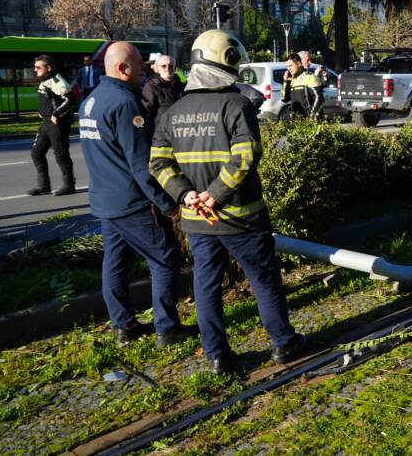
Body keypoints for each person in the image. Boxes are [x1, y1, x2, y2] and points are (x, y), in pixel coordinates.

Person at [149, 29, 304, 374]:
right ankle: (283, 343)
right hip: (242, 218)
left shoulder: (172, 112)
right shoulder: (237, 105)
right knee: (264, 280)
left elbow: (157, 163)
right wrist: (214, 194)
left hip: (196, 219)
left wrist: (187, 195)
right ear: (228, 61)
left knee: (206, 285)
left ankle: (216, 355)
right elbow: (247, 156)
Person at [79, 42, 193, 347]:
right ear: (122, 68)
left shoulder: (91, 101)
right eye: (139, 65)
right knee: (165, 259)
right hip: (133, 203)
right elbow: (143, 165)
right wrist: (167, 203)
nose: (144, 69)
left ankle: (123, 325)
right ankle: (167, 329)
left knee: (115, 264)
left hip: (106, 202)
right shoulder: (125, 104)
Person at [27, 55, 76, 196]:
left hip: (57, 124)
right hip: (46, 123)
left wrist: (56, 114)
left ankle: (69, 185)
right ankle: (43, 186)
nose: (35, 70)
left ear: (48, 68)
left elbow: (70, 99)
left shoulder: (57, 80)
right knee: (37, 153)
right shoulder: (45, 81)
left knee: (61, 154)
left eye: (38, 67)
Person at [141, 54, 185, 121]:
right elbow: (145, 114)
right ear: (157, 69)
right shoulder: (151, 87)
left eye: (170, 66)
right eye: (163, 66)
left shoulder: (182, 86)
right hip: (161, 130)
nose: (167, 69)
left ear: (175, 68)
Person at [282, 53, 324, 118]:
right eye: (287, 66)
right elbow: (284, 98)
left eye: (290, 66)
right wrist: (286, 81)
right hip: (296, 122)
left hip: (309, 122)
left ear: (299, 64)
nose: (288, 69)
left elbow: (319, 99)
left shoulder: (310, 77)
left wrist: (312, 118)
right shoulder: (291, 80)